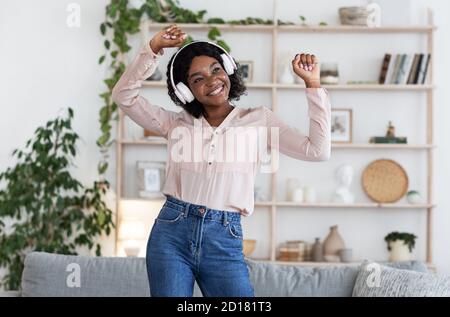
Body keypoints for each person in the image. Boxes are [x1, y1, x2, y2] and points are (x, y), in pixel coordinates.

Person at [111, 24, 331, 297]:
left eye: (216, 69)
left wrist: (313, 86)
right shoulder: (176, 124)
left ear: (228, 69)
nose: (212, 80)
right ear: (186, 91)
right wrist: (153, 48)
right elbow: (123, 96)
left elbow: (317, 150)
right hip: (171, 234)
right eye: (198, 79)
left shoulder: (260, 120)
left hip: (224, 236)